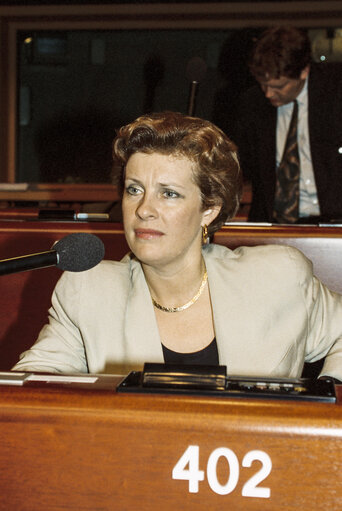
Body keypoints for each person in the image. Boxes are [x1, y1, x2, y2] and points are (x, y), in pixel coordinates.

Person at [12, 111, 342, 381]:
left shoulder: (276, 277)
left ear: (209, 209)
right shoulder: (89, 290)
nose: (144, 209)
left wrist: (327, 401)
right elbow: (33, 388)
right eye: (134, 190)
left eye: (169, 194)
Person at [234, 26, 342, 223]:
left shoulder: (335, 94)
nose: (268, 94)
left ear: (304, 71)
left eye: (279, 86)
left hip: (334, 221)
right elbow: (246, 166)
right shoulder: (252, 103)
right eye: (263, 84)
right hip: (277, 222)